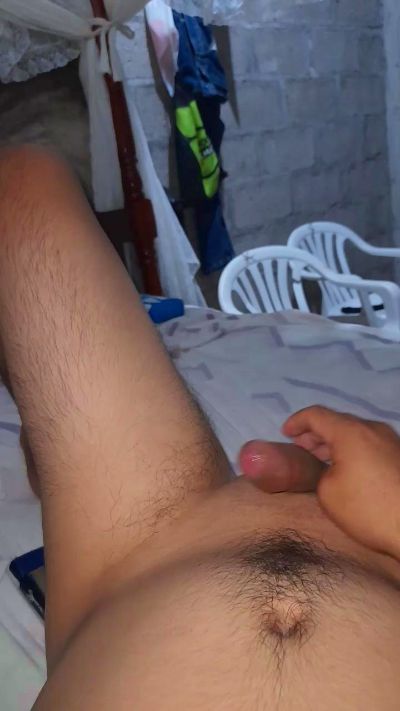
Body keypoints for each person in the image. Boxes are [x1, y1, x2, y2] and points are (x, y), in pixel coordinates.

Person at [0, 145, 399, 711]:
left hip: (127, 574)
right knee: (23, 186)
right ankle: (54, 457)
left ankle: (55, 461)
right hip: (147, 544)